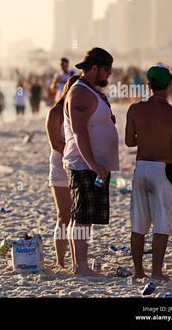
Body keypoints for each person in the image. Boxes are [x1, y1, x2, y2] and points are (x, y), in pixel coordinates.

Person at [126, 64, 172, 280]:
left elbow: (128, 141)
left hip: (141, 168)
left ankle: (138, 271)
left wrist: (145, 137)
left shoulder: (135, 109)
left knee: (138, 224)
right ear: (169, 85)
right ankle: (156, 272)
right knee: (160, 223)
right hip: (162, 170)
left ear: (148, 85)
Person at [63, 47, 119, 276]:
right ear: (94, 68)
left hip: (93, 165)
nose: (109, 74)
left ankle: (80, 265)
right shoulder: (80, 93)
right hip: (83, 164)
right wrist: (94, 163)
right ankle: (81, 266)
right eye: (107, 69)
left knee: (86, 217)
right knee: (81, 216)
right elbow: (79, 132)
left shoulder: (91, 92)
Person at [46, 74, 80, 269]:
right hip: (61, 166)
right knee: (63, 216)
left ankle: (77, 260)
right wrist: (78, 149)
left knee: (79, 216)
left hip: (80, 165)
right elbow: (56, 144)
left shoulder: (81, 111)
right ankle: (60, 261)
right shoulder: (56, 112)